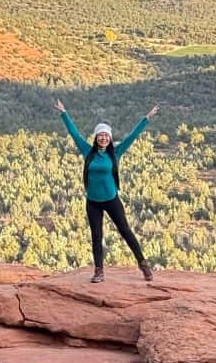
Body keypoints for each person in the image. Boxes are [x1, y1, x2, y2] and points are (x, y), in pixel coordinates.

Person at [54, 98, 159, 283]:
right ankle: (99, 271)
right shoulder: (88, 152)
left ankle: (144, 266)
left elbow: (132, 137)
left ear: (110, 138)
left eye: (106, 135)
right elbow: (74, 133)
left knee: (125, 231)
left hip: (111, 199)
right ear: (96, 137)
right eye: (100, 135)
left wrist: (146, 118)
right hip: (93, 201)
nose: (103, 138)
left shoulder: (115, 153)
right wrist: (64, 113)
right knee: (96, 235)